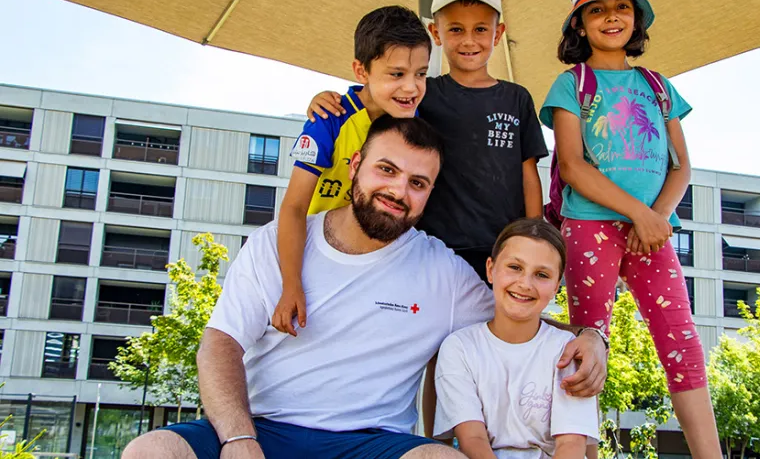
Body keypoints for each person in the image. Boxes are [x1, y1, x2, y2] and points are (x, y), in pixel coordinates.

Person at [122, 117, 606, 459]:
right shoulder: (281, 242)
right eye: (387, 170)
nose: (399, 191)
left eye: (418, 182)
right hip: (261, 429)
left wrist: (589, 337)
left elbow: (520, 312)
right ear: (355, 165)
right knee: (151, 450)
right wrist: (238, 440)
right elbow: (220, 344)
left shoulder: (442, 271)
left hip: (372, 442)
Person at [539, 0, 722, 458]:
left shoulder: (658, 85)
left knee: (681, 340)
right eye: (595, 9)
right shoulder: (571, 84)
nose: (610, 16)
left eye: (621, 7)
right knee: (589, 340)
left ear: (637, 19)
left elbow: (680, 165)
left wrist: (656, 219)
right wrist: (639, 213)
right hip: (589, 227)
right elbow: (574, 167)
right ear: (579, 25)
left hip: (652, 234)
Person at [303, 0, 548, 287]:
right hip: (429, 246)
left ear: (498, 33)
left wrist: (535, 234)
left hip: (502, 249)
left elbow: (528, 173)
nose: (469, 40)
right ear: (435, 33)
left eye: (480, 30)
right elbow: (374, 101)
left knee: (496, 333)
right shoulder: (421, 95)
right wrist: (324, 99)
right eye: (456, 29)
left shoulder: (517, 98)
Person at [273, 5, 432, 336]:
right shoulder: (329, 118)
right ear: (361, 71)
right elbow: (294, 207)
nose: (411, 88)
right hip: (315, 260)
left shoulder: (415, 129)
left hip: (376, 268)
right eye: (396, 74)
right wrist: (290, 284)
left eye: (420, 74)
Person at [434, 219, 599, 459]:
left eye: (541, 274)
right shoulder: (460, 348)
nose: (525, 283)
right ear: (490, 269)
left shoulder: (567, 350)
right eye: (515, 267)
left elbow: (571, 446)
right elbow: (472, 438)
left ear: (556, 287)